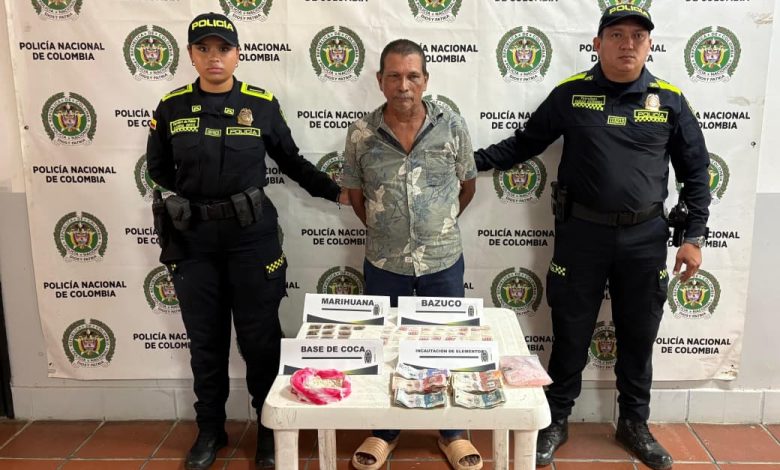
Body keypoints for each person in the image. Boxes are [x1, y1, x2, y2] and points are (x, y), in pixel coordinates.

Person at [474, 5, 710, 470]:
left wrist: (694, 236)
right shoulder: (570, 95)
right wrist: (465, 161)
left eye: (637, 36)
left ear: (650, 46)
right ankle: (556, 419)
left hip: (645, 238)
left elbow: (696, 173)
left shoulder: (670, 100)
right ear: (598, 44)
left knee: (639, 335)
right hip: (581, 235)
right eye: (617, 35)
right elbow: (522, 144)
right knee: (570, 332)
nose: (628, 44)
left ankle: (634, 424)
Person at [146, 12, 349, 470]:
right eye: (204, 49)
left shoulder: (260, 105)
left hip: (250, 239)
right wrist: (197, 198)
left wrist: (335, 192)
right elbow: (158, 168)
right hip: (194, 241)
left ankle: (269, 430)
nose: (214, 57)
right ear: (191, 55)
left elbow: (291, 161)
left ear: (238, 53)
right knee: (205, 340)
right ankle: (210, 430)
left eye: (223, 48)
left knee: (260, 340)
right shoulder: (172, 107)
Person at [341, 39, 481, 470]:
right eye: (395, 76)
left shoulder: (451, 125)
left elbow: (467, 186)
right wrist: (390, 232)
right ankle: (384, 430)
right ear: (380, 80)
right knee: (387, 345)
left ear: (425, 80)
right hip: (385, 263)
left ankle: (453, 432)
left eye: (412, 76)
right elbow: (357, 197)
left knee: (446, 345)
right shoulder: (361, 133)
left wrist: (437, 226)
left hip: (442, 260)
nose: (404, 85)